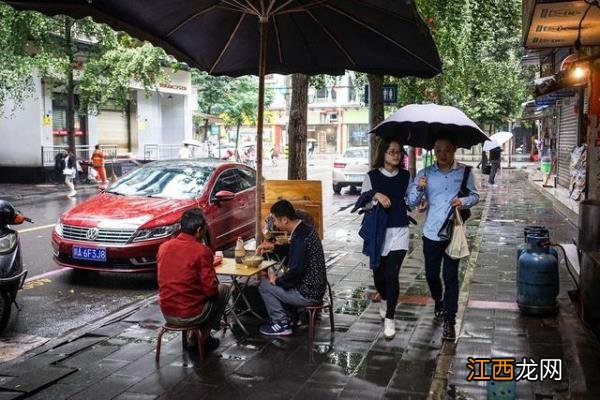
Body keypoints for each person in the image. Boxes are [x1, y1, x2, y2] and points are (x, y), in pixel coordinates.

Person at [407, 137, 479, 341]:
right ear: (434, 152)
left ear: (454, 150)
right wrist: (420, 188)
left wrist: (462, 201)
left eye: (447, 150)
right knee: (431, 275)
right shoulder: (425, 173)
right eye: (439, 150)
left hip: (453, 232)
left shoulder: (464, 172)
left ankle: (450, 321)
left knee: (451, 277)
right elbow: (412, 202)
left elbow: (475, 196)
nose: (443, 154)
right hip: (431, 233)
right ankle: (438, 300)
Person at [356, 139, 411, 340]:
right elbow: (363, 203)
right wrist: (376, 195)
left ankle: (390, 318)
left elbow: (411, 199)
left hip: (400, 230)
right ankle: (384, 299)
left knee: (392, 274)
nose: (396, 155)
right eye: (391, 152)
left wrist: (420, 193)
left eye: (399, 152)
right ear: (383, 153)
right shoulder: (371, 176)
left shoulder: (406, 176)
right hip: (379, 232)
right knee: (378, 276)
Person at [157, 208, 230, 352]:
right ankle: (203, 337)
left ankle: (195, 335)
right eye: (204, 229)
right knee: (224, 290)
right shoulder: (201, 251)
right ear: (198, 230)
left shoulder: (164, 247)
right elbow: (210, 291)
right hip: (190, 314)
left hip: (167, 311)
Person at [255, 200, 327, 336]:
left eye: (275, 220)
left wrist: (276, 281)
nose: (274, 224)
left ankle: (281, 323)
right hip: (316, 287)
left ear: (284, 220)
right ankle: (290, 317)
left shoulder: (299, 237)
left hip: (309, 293)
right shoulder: (304, 229)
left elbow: (295, 272)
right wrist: (274, 247)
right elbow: (293, 251)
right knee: (278, 279)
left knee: (264, 285)